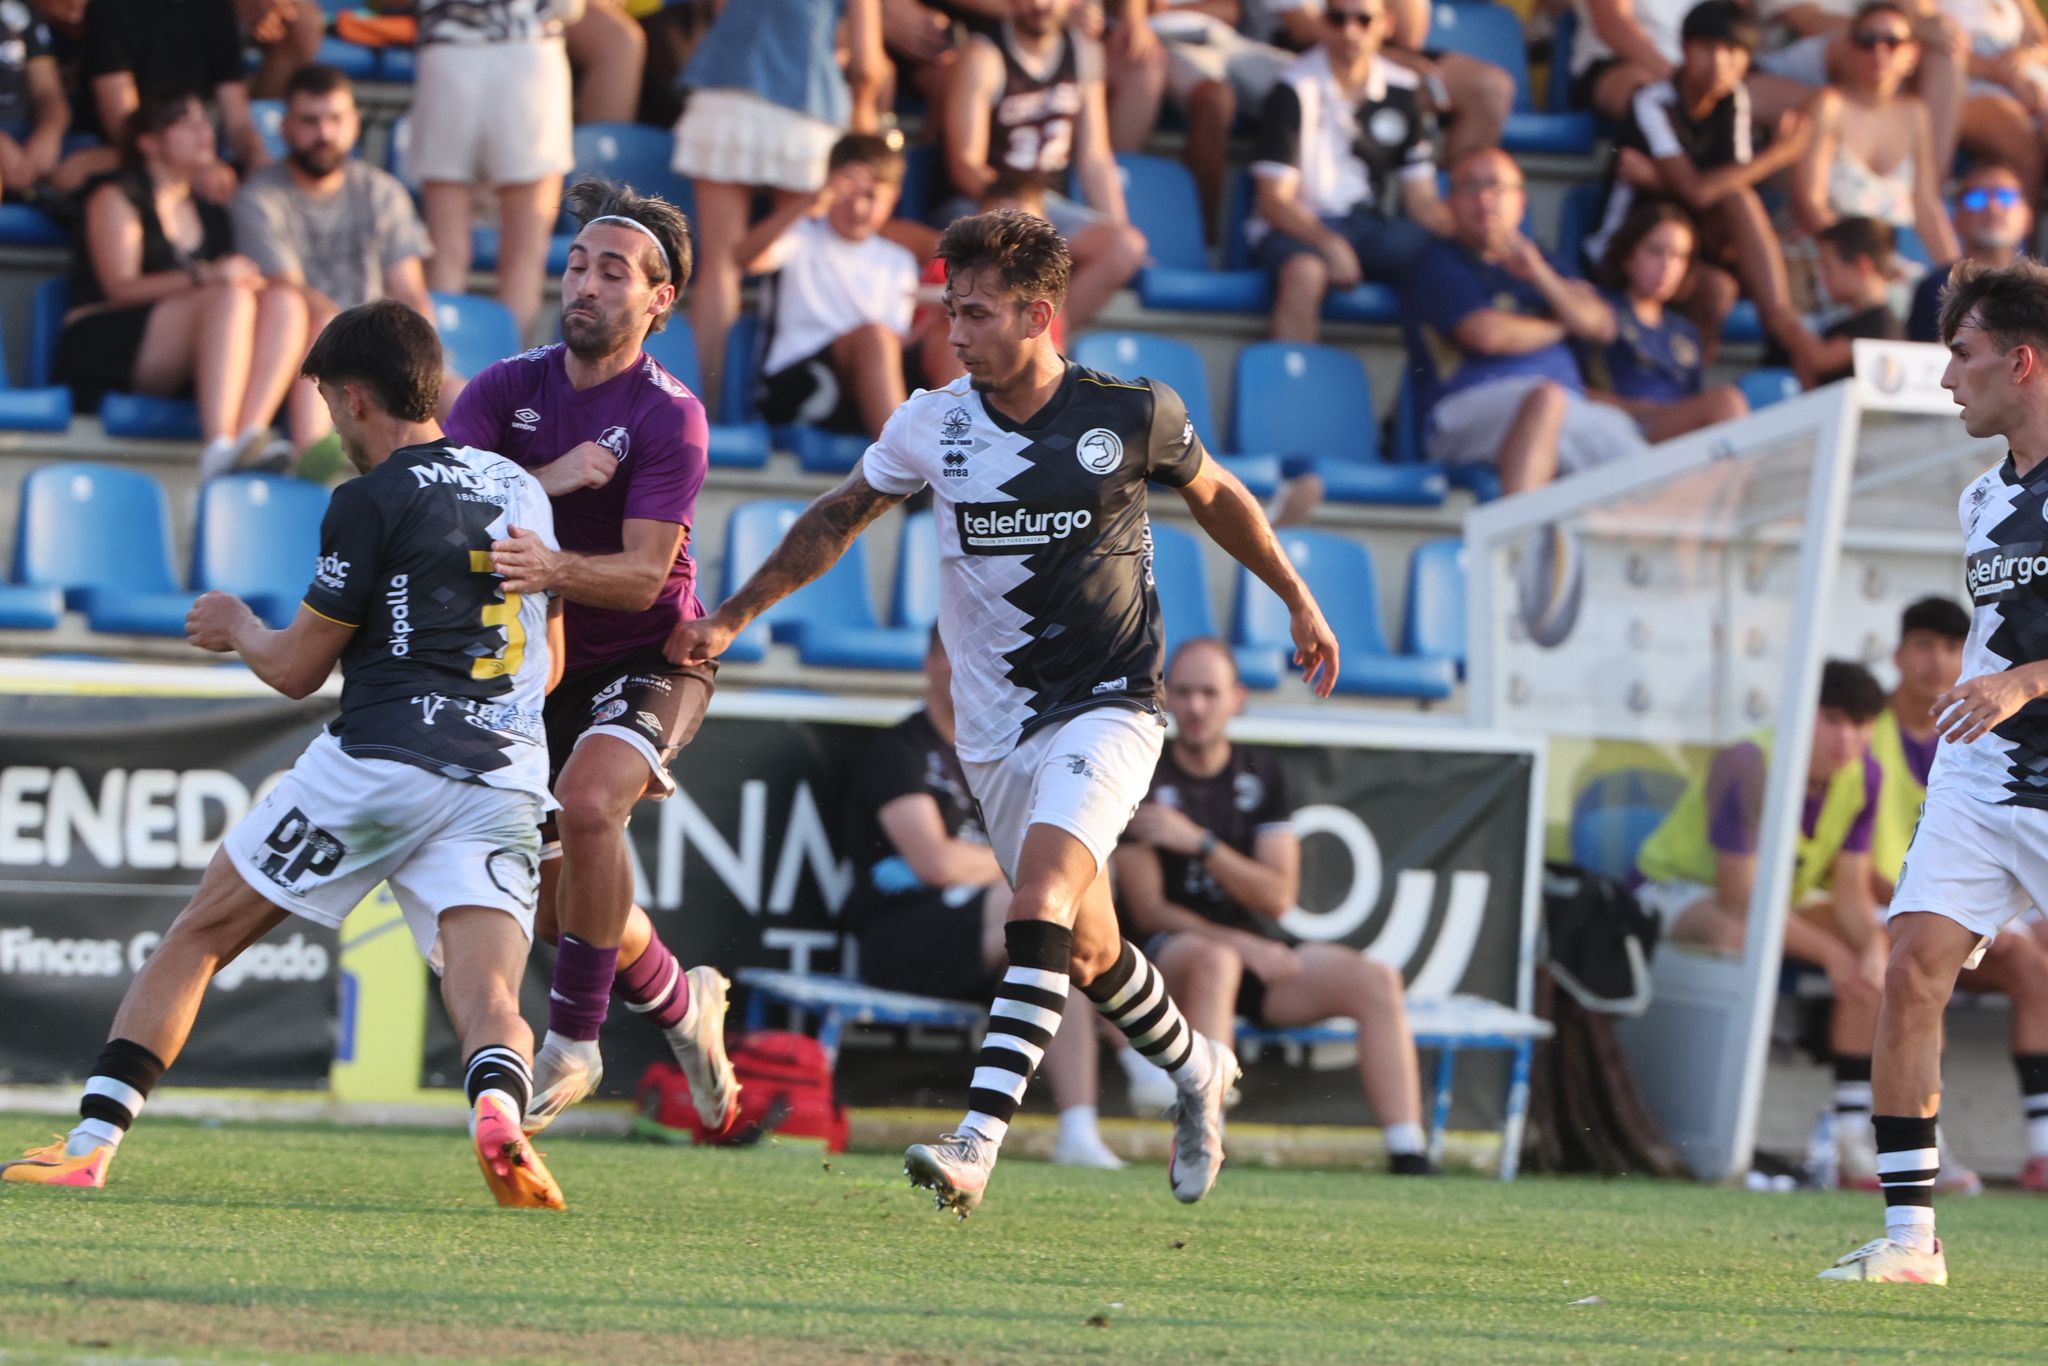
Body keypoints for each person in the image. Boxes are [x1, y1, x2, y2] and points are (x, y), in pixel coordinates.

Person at [667, 209, 1342, 1218]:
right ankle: (1200, 1069)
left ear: (1037, 314)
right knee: (1089, 950)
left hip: (1110, 705)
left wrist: (1295, 592)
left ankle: (977, 1142)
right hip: (992, 730)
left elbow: (1216, 495)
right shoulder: (931, 422)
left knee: (1035, 906)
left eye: (974, 312)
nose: (953, 329)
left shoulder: (1127, 412)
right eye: (948, 307)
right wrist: (730, 615)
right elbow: (835, 517)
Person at [0, 300, 569, 1208]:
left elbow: (299, 668)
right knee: (488, 989)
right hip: (505, 771)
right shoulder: (519, 488)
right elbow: (551, 666)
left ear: (352, 399)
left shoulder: (369, 498)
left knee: (199, 935)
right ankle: (498, 1108)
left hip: (382, 762)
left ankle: (90, 1141)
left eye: (328, 407)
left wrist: (236, 626)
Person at [444, 177, 737, 1138]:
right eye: (576, 264)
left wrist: (551, 557)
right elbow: (437, 516)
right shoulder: (504, 388)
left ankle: (574, 1039)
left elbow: (646, 574)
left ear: (658, 302)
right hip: (540, 665)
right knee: (554, 906)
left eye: (613, 272)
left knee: (591, 799)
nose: (585, 284)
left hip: (653, 650)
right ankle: (684, 1006)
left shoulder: (670, 415)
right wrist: (552, 479)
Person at [1814, 259, 2048, 1283]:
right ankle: (1910, 1243)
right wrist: (1997, 692)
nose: (1946, 378)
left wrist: (2024, 683)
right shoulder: (1979, 498)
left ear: (2022, 360)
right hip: (1980, 776)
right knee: (1910, 968)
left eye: (1959, 354)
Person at [1112, 637, 1431, 1173]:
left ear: (1236, 699)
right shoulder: (1145, 772)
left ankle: (1409, 1151)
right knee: (1218, 962)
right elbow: (1148, 912)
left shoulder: (1262, 773)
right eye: (1183, 692)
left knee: (1376, 980)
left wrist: (1200, 843)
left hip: (1257, 948)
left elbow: (1278, 897)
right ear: (1164, 698)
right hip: (1172, 959)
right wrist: (1239, 943)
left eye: (1209, 693)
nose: (1194, 707)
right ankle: (1203, 1140)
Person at [847, 629, 1125, 1169]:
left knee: (1055, 936)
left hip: (989, 934)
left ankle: (1078, 1129)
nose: (968, 673)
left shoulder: (1011, 754)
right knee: (1042, 902)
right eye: (954, 657)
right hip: (902, 937)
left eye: (981, 661)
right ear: (929, 662)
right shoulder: (899, 750)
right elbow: (937, 862)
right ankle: (1141, 1060)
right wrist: (1031, 873)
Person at [1633, 661, 1893, 1190]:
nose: (1848, 737)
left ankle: (1850, 1136)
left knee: (1881, 951)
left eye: (1862, 723)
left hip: (1778, 905)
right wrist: (1827, 951)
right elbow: (1739, 896)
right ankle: (1716, 1125)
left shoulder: (1866, 774)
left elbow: (1850, 893)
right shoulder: (1747, 761)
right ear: (1804, 714)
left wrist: (1867, 945)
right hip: (1671, 888)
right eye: (1835, 719)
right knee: (1739, 938)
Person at [1866, 595, 2048, 1196]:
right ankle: (1909, 1231)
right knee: (1907, 971)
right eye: (1924, 644)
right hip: (1973, 802)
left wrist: (2026, 680)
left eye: (1950, 646)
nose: (1938, 661)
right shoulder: (1867, 735)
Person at [55, 90, 310, 481]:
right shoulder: (116, 194)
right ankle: (218, 447)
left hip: (185, 347)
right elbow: (119, 288)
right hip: (104, 342)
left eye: (205, 121)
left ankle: (250, 433)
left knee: (285, 302)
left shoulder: (212, 210)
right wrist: (207, 276)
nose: (204, 131)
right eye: (186, 123)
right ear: (149, 141)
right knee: (229, 296)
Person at [674, 0, 885, 418]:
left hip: (725, 94)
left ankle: (699, 415)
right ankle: (768, 403)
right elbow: (867, 64)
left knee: (718, 268)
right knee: (795, 260)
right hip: (807, 107)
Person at [1401, 148, 1645, 497]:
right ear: (1449, 202)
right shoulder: (1436, 261)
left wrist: (1541, 276)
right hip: (1465, 412)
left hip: (1569, 412)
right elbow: (1486, 334)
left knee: (1645, 463)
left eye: (1497, 187)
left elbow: (1602, 325)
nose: (1485, 198)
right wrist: (1562, 324)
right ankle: (1522, 544)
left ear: (1521, 202)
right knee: (1548, 401)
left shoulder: (1547, 263)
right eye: (1470, 187)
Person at [232, 63, 436, 457]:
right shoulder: (258, 197)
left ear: (355, 124)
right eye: (309, 121)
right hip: (308, 354)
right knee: (322, 327)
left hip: (382, 355)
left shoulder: (382, 192)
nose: (324, 134)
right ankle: (317, 455)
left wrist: (418, 366)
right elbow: (288, 289)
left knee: (466, 400)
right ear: (285, 126)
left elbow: (410, 291)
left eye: (335, 120)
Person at [1588, 0, 1810, 360]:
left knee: (1732, 228)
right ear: (1684, 49)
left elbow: (1726, 188)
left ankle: (1778, 330)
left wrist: (1659, 180)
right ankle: (1778, 331)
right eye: (1708, 48)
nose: (1720, 62)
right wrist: (1779, 155)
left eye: (1733, 51)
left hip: (1687, 244)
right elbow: (1699, 191)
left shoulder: (1734, 99)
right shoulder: (1652, 100)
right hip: (1627, 245)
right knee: (1723, 240)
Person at [1247, 0, 1453, 344]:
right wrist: (1329, 243)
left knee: (1446, 261)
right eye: (1337, 18)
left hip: (1367, 226)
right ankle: (1294, 391)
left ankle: (1437, 388)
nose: (1350, 30)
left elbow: (1423, 202)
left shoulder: (1402, 88)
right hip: (1299, 224)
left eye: (1363, 19)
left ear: (1386, 25)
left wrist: (1477, 238)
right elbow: (1273, 201)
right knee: (1305, 272)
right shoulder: (1291, 87)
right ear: (1323, 23)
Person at [941, 0, 1147, 333]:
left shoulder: (1083, 51)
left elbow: (1094, 156)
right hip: (981, 202)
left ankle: (1040, 340)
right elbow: (964, 164)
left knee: (1125, 248)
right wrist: (1018, 211)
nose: (1039, 4)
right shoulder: (983, 54)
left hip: (1045, 204)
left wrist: (1116, 223)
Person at [408, 0, 578, 341]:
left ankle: (432, 382)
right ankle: (509, 383)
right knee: (525, 256)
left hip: (449, 55)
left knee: (446, 252)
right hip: (528, 54)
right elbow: (570, 8)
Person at [741, 132, 922, 441]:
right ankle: (905, 463)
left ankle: (967, 466)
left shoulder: (900, 260)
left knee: (944, 338)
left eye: (871, 196)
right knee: (874, 338)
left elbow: (894, 343)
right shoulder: (800, 235)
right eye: (848, 192)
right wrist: (809, 203)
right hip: (795, 385)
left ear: (894, 196)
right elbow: (745, 259)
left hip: (863, 390)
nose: (859, 208)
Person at [1787, 1, 1958, 268]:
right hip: (1831, 262)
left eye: (1892, 41)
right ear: (1849, 49)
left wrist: (1957, 276)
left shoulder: (1916, 115)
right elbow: (1810, 204)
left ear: (1913, 53)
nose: (1879, 49)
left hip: (1895, 264)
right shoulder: (1829, 106)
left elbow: (1927, 208)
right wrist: (1868, 263)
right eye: (1866, 40)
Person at [1582, 197, 1749, 439]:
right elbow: (1570, 387)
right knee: (1726, 402)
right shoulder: (1598, 311)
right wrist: (1635, 409)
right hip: (1620, 430)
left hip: (1675, 444)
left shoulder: (1685, 331)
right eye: (1655, 251)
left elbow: (1692, 400)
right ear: (1628, 256)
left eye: (1679, 256)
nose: (1666, 266)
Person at [77, 0, 270, 200]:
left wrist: (255, 156)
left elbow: (238, 121)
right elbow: (124, 126)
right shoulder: (108, 7)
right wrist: (194, 165)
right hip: (129, 151)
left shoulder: (216, 7)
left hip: (198, 147)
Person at [1907, 162, 2030, 343]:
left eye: (2006, 197)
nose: (1993, 208)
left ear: (2028, 217)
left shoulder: (2042, 289)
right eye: (1977, 198)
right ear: (1957, 218)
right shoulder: (1938, 289)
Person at [1790, 215, 1904, 388]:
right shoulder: (1854, 322)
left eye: (1828, 267)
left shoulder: (1881, 324)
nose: (1823, 279)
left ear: (1861, 265)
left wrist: (1787, 318)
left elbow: (1820, 359)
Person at [0, 1, 68, 202]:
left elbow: (48, 92)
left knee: (97, 162)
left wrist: (49, 133)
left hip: (27, 131)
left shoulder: (18, 11)